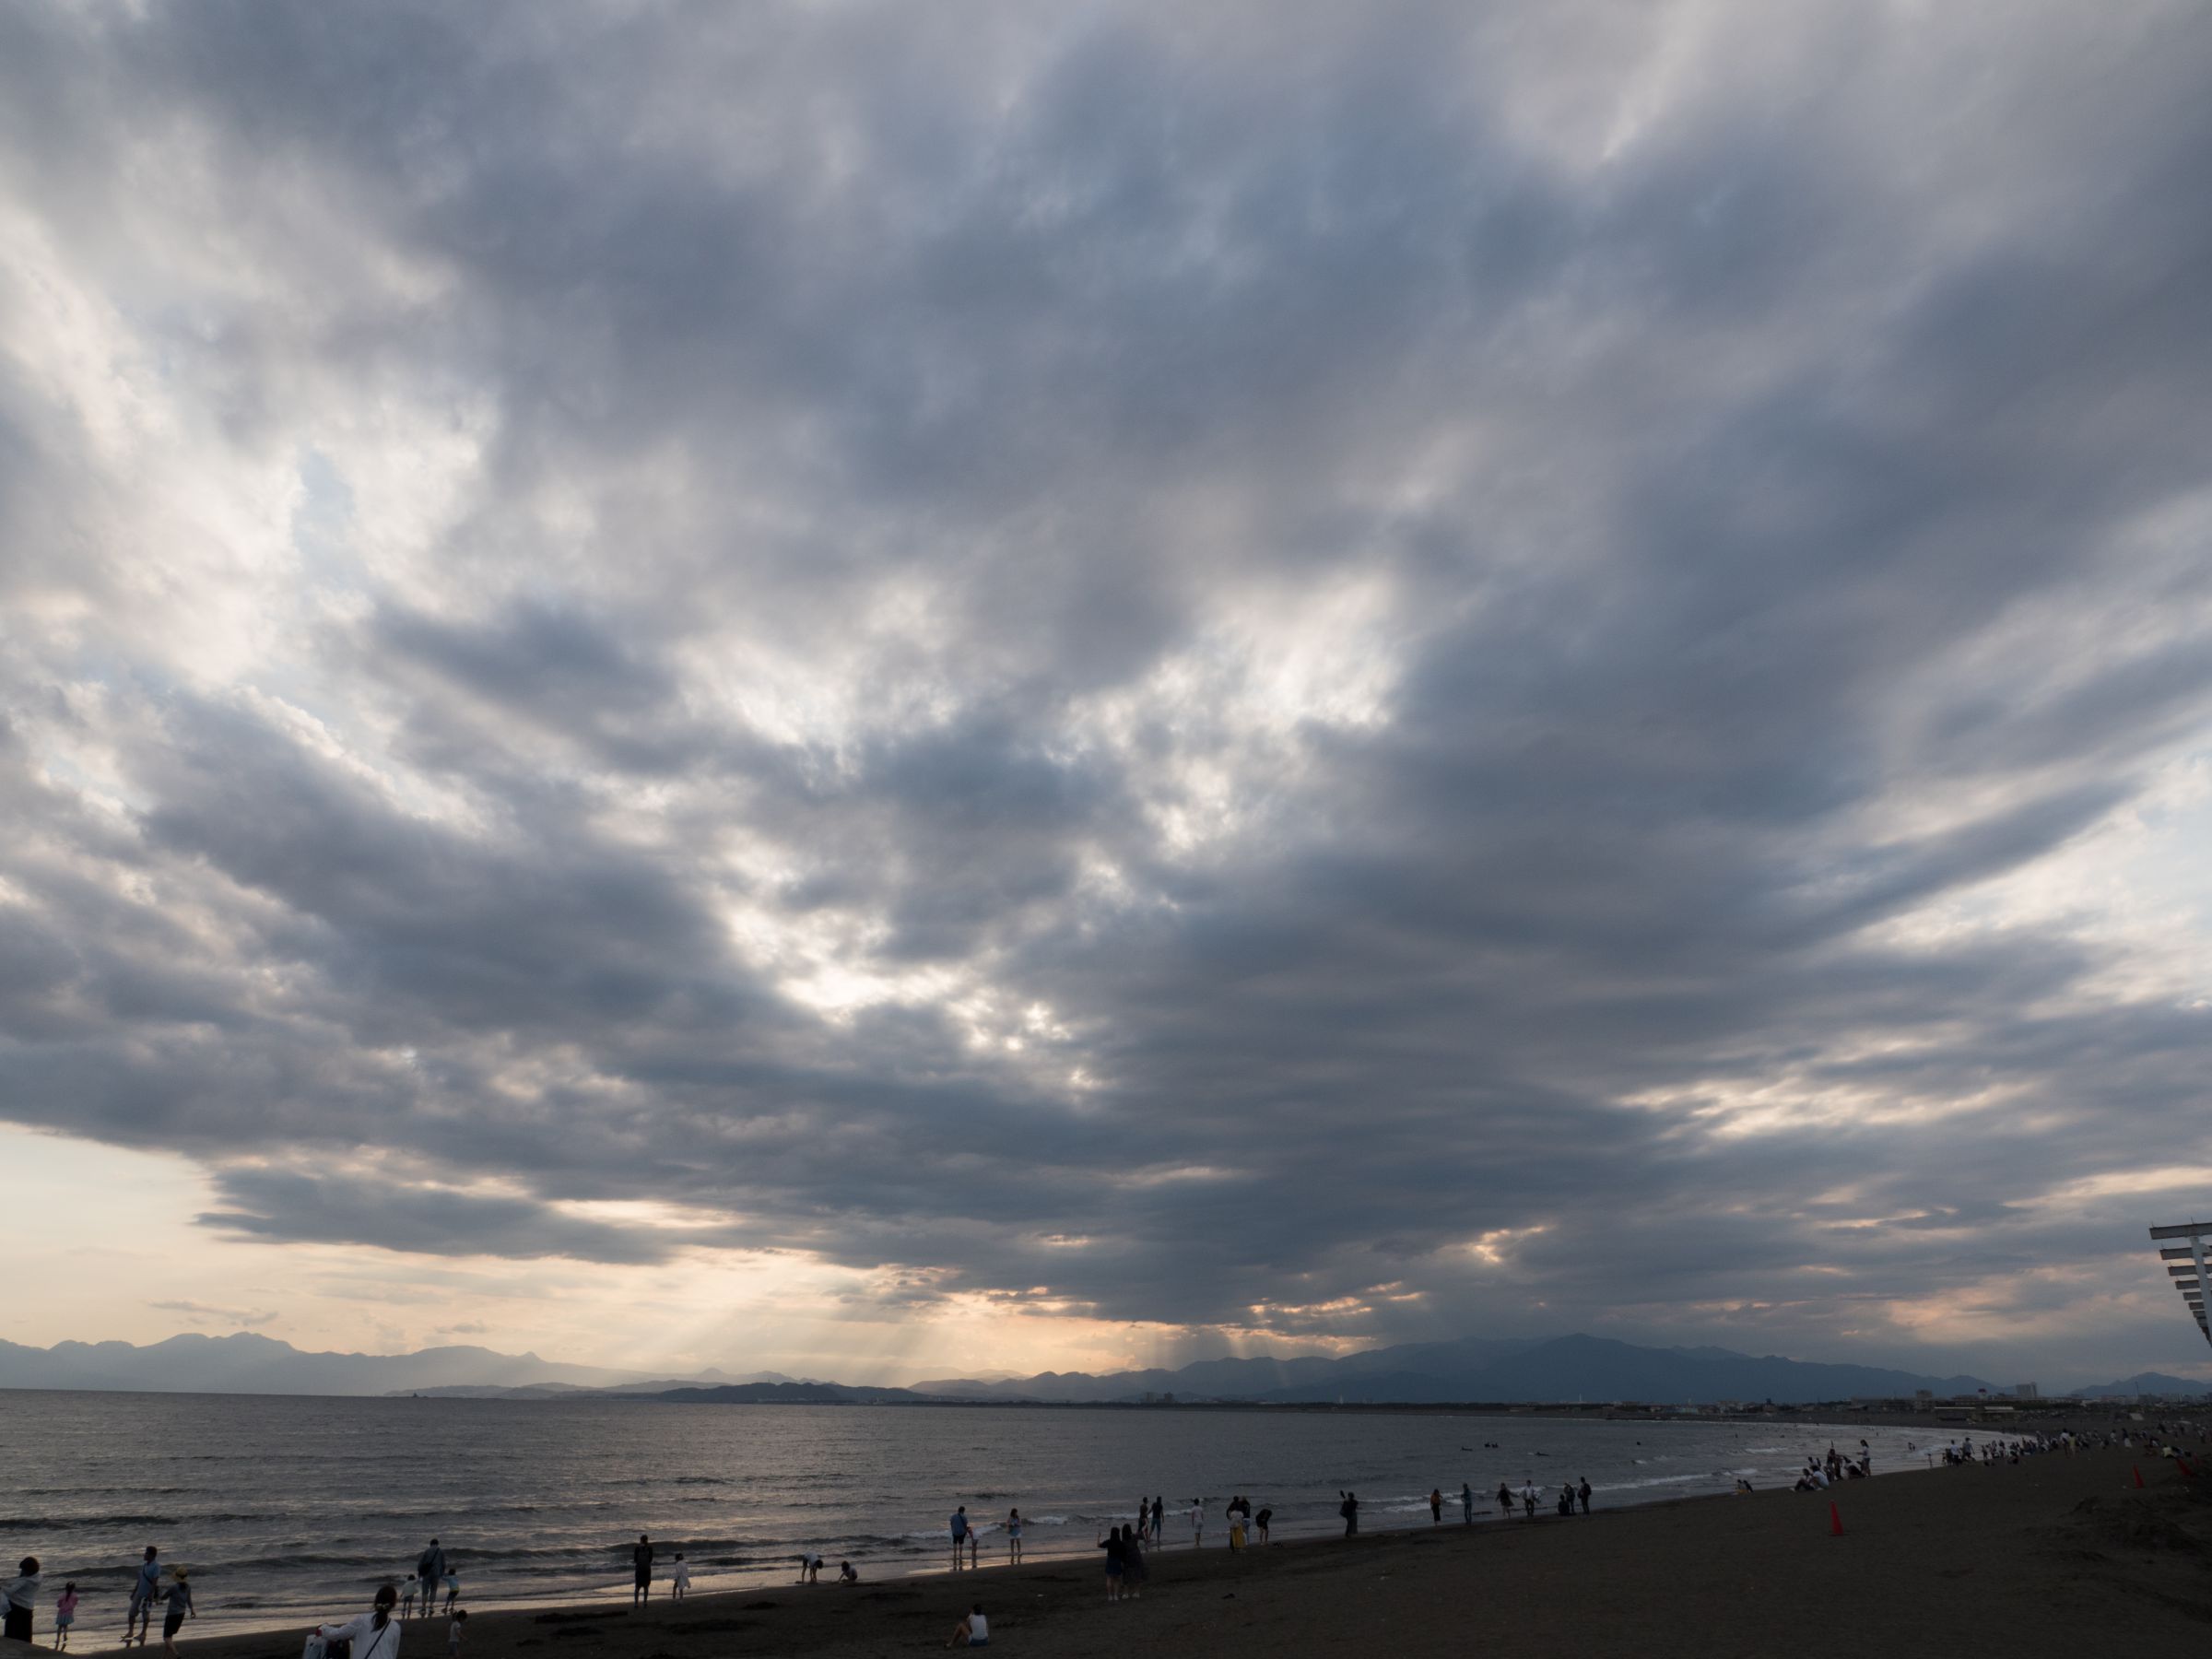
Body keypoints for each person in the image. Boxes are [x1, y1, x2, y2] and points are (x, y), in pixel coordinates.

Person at [312, 1583, 402, 1659]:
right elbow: (393, 1653)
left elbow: (338, 1634)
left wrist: (324, 1629)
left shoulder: (363, 1620)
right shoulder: (395, 1627)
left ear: (376, 1601)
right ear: (393, 1604)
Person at [127, 1547, 162, 1647]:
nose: (144, 1555)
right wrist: (134, 1592)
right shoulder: (145, 1565)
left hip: (148, 1594)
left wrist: (150, 1594)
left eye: (146, 1553)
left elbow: (155, 1582)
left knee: (145, 1615)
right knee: (131, 1613)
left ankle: (143, 1633)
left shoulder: (156, 1566)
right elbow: (140, 1580)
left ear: (151, 1555)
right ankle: (130, 1632)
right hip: (139, 1593)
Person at [2, 1558, 40, 1645]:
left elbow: (9, 1591)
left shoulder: (24, 1581)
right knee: (25, 1633)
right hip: (29, 1607)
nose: (22, 1571)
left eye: (23, 1569)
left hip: (16, 1607)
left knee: (11, 1633)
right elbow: (18, 1581)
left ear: (27, 1570)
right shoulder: (38, 1577)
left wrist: (1, 1587)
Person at [159, 1568, 194, 1657]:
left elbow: (164, 1597)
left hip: (172, 1614)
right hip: (181, 1614)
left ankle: (176, 1654)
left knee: (166, 1637)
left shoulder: (174, 1587)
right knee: (169, 1636)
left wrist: (159, 1594)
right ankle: (164, 1656)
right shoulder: (188, 1587)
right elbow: (189, 1600)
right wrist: (192, 1610)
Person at [415, 1544, 446, 1618]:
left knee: (425, 1590)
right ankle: (431, 1606)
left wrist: (419, 1572)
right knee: (433, 1590)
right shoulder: (441, 1551)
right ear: (437, 1544)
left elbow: (421, 1562)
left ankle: (423, 1608)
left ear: (430, 1544)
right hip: (436, 1573)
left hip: (426, 1573)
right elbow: (444, 1564)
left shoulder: (427, 1550)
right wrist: (441, 1573)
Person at [1097, 1524, 1126, 1601]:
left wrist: (1098, 1537)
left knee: (1109, 1578)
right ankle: (1116, 1596)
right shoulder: (1120, 1543)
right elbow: (1123, 1553)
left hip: (1110, 1560)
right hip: (1117, 1561)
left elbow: (1098, 1545)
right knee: (1116, 1579)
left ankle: (1110, 1596)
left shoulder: (1109, 1542)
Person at [1121, 1524, 1147, 1599]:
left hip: (1127, 1558)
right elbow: (1141, 1535)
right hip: (1136, 1556)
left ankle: (1126, 1594)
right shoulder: (1134, 1536)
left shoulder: (1123, 1540)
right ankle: (1137, 1593)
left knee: (1126, 1575)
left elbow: (1122, 1551)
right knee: (1137, 1574)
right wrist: (1142, 1529)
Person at [55, 1581, 80, 1650]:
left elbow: (59, 1603)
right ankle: (65, 1634)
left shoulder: (62, 1595)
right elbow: (75, 1603)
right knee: (66, 1626)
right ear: (73, 1588)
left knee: (60, 1626)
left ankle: (57, 1639)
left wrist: (59, 1606)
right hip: (69, 1612)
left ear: (66, 1588)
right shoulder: (75, 1595)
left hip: (61, 1612)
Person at [630, 1535, 653, 1607]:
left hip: (639, 1569)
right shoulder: (650, 1548)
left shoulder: (637, 1548)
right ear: (647, 1540)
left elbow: (635, 1559)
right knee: (646, 1587)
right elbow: (650, 1559)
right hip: (647, 1569)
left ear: (640, 1540)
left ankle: (636, 1603)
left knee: (637, 1587)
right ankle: (645, 1603)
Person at [949, 1506, 970, 1571]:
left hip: (955, 1531)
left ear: (958, 1510)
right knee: (961, 1543)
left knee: (955, 1542)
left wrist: (953, 1529)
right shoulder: (964, 1517)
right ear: (963, 1511)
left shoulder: (953, 1516)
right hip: (962, 1532)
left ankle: (955, 1554)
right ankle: (960, 1554)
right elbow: (966, 1525)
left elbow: (951, 1523)